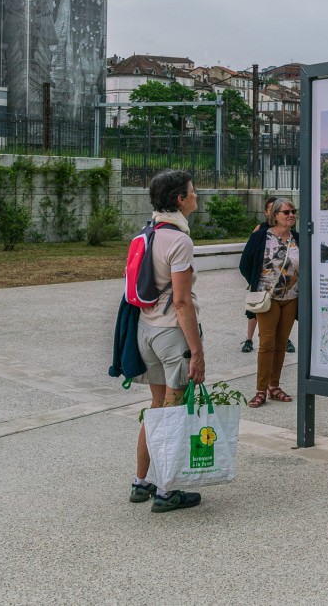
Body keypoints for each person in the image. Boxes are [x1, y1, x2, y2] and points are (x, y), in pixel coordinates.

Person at [130, 170, 207, 512]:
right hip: (171, 335)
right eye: (192, 192)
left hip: (145, 331)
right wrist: (198, 353)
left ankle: (141, 482)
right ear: (180, 199)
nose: (196, 196)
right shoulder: (180, 241)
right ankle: (166, 492)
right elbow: (181, 301)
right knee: (173, 415)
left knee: (156, 409)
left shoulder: (147, 234)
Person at [239, 198, 300, 408]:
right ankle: (260, 390)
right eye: (286, 212)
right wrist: (258, 285)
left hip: (291, 298)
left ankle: (274, 387)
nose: (291, 215)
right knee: (267, 344)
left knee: (281, 343)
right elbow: (245, 264)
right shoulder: (260, 237)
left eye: (293, 211)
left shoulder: (298, 239)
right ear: (275, 215)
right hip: (268, 299)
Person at [241, 198, 277, 354]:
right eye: (270, 209)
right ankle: (249, 339)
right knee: (254, 310)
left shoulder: (287, 231)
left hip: (277, 283)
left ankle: (284, 339)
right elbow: (248, 258)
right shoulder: (259, 230)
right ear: (266, 212)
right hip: (260, 281)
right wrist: (253, 280)